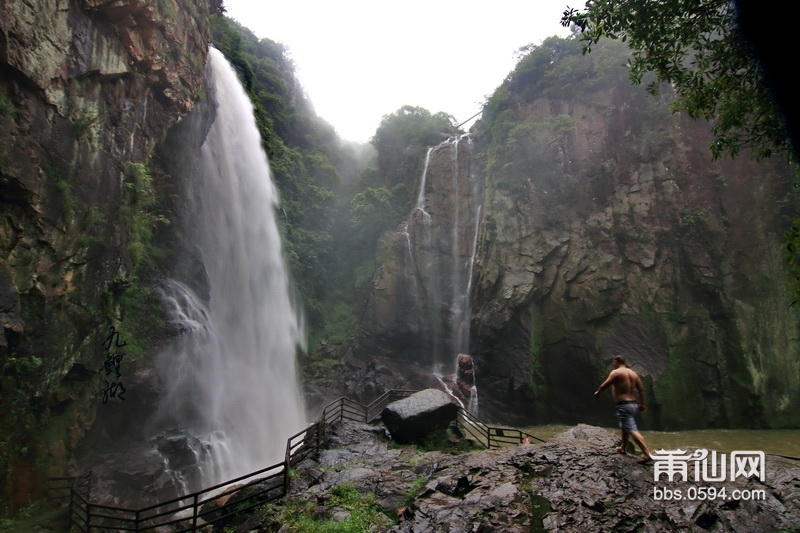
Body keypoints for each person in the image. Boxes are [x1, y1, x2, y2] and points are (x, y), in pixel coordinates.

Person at [594, 355, 652, 464]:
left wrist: (598, 392)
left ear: (615, 361)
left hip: (624, 405)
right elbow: (641, 390)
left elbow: (605, 384)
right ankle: (623, 448)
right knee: (625, 426)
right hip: (633, 405)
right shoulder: (633, 374)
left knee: (631, 429)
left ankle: (646, 453)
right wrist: (643, 404)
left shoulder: (616, 372)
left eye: (613, 362)